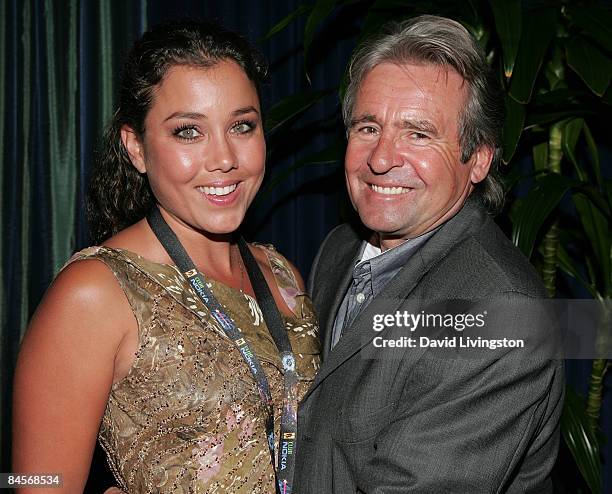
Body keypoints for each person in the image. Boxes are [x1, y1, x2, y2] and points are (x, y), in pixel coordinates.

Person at [13, 21, 320, 493]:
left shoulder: (281, 275)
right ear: (136, 147)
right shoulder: (94, 293)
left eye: (242, 126)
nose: (224, 158)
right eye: (188, 132)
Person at [294, 15, 564, 493]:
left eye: (418, 134)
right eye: (368, 127)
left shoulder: (497, 315)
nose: (381, 158)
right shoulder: (339, 250)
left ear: (478, 158)